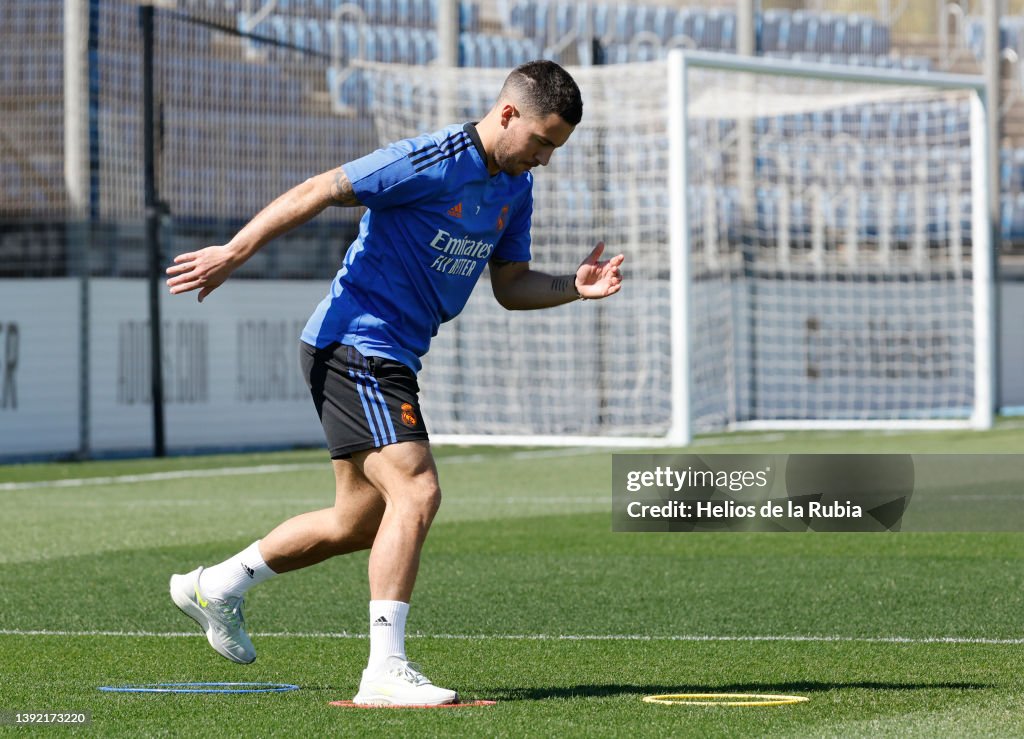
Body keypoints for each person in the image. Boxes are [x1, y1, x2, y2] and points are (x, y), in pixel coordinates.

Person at [165, 60, 624, 706]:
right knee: (417, 487)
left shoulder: (516, 188)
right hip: (355, 342)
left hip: (392, 355)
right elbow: (324, 187)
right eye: (542, 141)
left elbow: (511, 284)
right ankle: (384, 667)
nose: (545, 158)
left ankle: (217, 584)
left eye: (556, 148)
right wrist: (232, 252)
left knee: (357, 521)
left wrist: (571, 288)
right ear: (509, 114)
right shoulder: (432, 158)